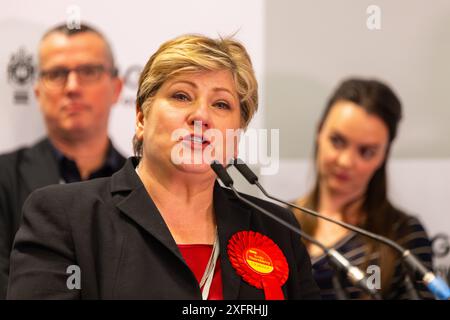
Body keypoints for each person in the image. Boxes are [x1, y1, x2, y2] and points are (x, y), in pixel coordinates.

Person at [7, 34, 320, 300]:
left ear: (237, 134)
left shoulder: (277, 228)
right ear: (141, 118)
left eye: (221, 104)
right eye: (182, 96)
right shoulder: (65, 216)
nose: (201, 116)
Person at [0, 23, 125, 298]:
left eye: (89, 71)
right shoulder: (4, 177)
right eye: (57, 73)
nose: (72, 87)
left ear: (117, 88)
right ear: (37, 92)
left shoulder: (146, 183)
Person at [292, 78, 434, 299]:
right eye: (337, 141)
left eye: (366, 151)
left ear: (383, 155)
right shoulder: (278, 222)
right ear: (319, 132)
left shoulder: (402, 236)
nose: (346, 161)